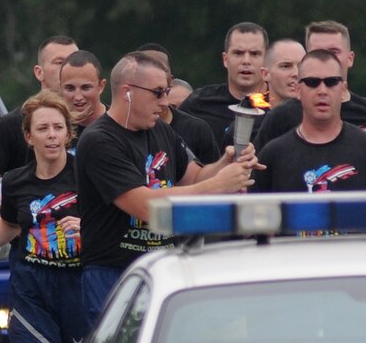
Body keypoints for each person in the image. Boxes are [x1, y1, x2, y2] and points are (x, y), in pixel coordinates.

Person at [75, 51, 257, 317]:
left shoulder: (159, 129)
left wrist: (227, 164)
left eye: (166, 92)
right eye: (158, 93)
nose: (164, 102)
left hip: (161, 267)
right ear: (127, 92)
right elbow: (147, 207)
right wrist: (217, 184)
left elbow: (194, 176)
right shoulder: (99, 141)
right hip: (114, 275)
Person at [0, 92, 86, 343]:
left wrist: (89, 228)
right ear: (29, 137)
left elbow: (116, 222)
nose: (52, 135)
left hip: (79, 290)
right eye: (43, 129)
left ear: (69, 133)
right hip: (32, 291)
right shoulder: (15, 182)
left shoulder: (89, 175)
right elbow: (10, 226)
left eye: (58, 127)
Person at [255, 48, 366, 199]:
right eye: (312, 82)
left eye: (331, 82)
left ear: (343, 89)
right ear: (298, 90)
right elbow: (250, 215)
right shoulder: (273, 155)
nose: (322, 90)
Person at [253, 22, 366, 160]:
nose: (326, 59)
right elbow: (257, 179)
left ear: (350, 58)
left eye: (334, 52)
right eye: (318, 53)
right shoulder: (281, 117)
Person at [0, 34, 77, 185]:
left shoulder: (97, 121)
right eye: (60, 63)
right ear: (39, 72)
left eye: (74, 63)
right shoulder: (13, 124)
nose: (68, 69)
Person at [180, 22, 270, 148]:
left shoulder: (280, 106)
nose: (246, 61)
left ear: (267, 60)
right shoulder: (199, 103)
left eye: (255, 54)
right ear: (225, 59)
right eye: (238, 53)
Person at [59, 50, 108, 129]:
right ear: (60, 88)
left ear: (101, 86)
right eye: (70, 88)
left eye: (85, 88)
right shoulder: (54, 131)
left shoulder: (120, 125)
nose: (78, 97)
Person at [264, 37, 305, 105]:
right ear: (265, 74)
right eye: (286, 66)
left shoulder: (321, 114)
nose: (296, 73)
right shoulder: (250, 114)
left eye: (301, 66)